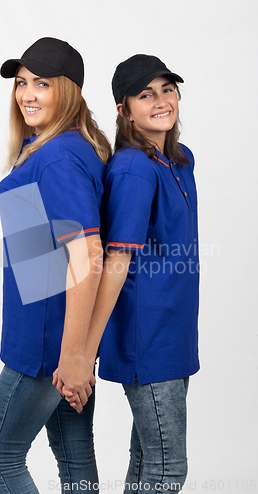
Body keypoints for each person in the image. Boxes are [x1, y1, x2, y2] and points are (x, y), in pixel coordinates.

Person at [0, 37, 111, 494]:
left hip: (46, 342)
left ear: (68, 91)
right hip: (59, 334)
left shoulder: (56, 158)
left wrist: (72, 357)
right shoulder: (61, 146)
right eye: (21, 83)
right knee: (75, 457)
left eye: (41, 84)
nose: (27, 94)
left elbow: (88, 254)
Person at [66, 54, 200, 493]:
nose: (161, 101)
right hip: (148, 340)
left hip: (175, 335)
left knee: (147, 462)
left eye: (167, 89)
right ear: (123, 109)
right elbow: (114, 262)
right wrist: (85, 353)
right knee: (167, 470)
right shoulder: (133, 168)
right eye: (146, 95)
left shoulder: (179, 161)